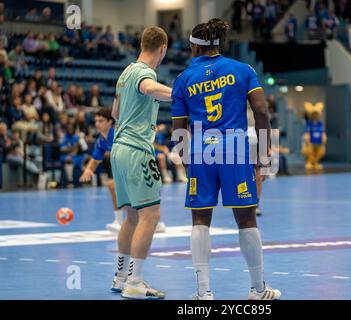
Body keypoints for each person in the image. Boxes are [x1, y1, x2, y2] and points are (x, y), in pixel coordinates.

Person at [172, 18, 281, 300]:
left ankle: (203, 292)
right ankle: (258, 289)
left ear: (195, 47)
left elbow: (179, 128)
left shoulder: (183, 79)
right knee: (246, 218)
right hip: (235, 148)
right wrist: (266, 152)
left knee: (200, 220)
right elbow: (261, 112)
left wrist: (186, 161)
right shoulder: (243, 70)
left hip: (200, 151)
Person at [110, 26, 172, 300]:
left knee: (131, 216)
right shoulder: (146, 73)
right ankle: (135, 281)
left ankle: (121, 276)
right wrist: (180, 94)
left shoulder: (125, 73)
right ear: (162, 49)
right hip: (136, 150)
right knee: (151, 216)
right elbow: (148, 88)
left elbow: (114, 112)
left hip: (118, 149)